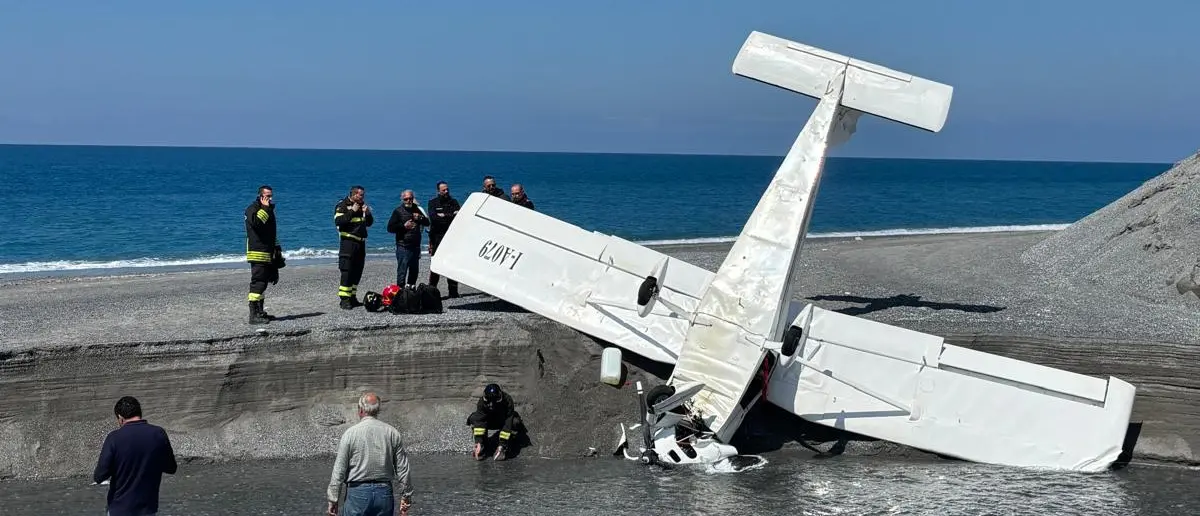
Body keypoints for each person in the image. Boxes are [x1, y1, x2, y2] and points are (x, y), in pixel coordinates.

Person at [327, 392, 414, 516]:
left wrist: (333, 499)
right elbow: (403, 469)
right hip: (384, 493)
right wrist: (406, 497)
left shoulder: (350, 434)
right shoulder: (392, 433)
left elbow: (339, 470)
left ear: (361, 410)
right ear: (377, 410)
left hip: (357, 493)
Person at [93, 396, 178, 516]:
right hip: (147, 509)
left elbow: (99, 476)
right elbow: (171, 468)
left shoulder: (114, 438)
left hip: (119, 509)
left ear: (120, 418)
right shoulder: (158, 433)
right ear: (140, 413)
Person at [244, 185, 282, 324]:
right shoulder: (252, 209)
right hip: (257, 252)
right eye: (267, 196)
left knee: (264, 283)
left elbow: (271, 233)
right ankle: (253, 315)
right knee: (258, 283)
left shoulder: (269, 210)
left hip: (268, 252)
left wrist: (278, 250)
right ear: (260, 196)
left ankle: (260, 311)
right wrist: (265, 208)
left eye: (271, 196)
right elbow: (257, 224)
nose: (270, 199)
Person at [334, 186, 374, 309]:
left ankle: (352, 296)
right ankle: (344, 300)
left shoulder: (362, 206)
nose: (362, 197)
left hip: (360, 243)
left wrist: (367, 214)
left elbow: (369, 223)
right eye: (361, 195)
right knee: (347, 270)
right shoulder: (342, 205)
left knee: (357, 270)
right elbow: (339, 221)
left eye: (363, 195)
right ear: (354, 194)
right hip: (348, 242)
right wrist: (352, 211)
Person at [467, 383, 523, 461]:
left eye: (494, 401)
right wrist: (478, 442)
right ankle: (483, 447)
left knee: (515, 422)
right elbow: (479, 420)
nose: (491, 405)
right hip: (489, 422)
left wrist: (501, 445)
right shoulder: (482, 402)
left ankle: (507, 445)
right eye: (489, 401)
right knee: (473, 418)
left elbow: (508, 422)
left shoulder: (508, 400)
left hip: (502, 421)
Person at [386, 189, 429, 287]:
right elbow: (390, 228)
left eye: (410, 198)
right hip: (403, 246)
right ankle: (400, 293)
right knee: (402, 271)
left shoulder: (417, 209)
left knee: (414, 270)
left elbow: (427, 223)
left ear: (413, 199)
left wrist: (420, 218)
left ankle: (411, 290)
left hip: (415, 245)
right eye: (406, 199)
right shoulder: (398, 211)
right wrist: (403, 226)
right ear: (402, 199)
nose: (408, 201)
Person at [427, 181, 461, 298]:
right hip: (437, 238)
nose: (446, 192)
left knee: (451, 264)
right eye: (443, 190)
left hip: (452, 237)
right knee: (436, 264)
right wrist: (451, 215)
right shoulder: (432, 203)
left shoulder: (454, 202)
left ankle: (453, 292)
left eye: (447, 189)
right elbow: (434, 219)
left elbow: (459, 218)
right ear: (438, 191)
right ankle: (432, 290)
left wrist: (444, 215)